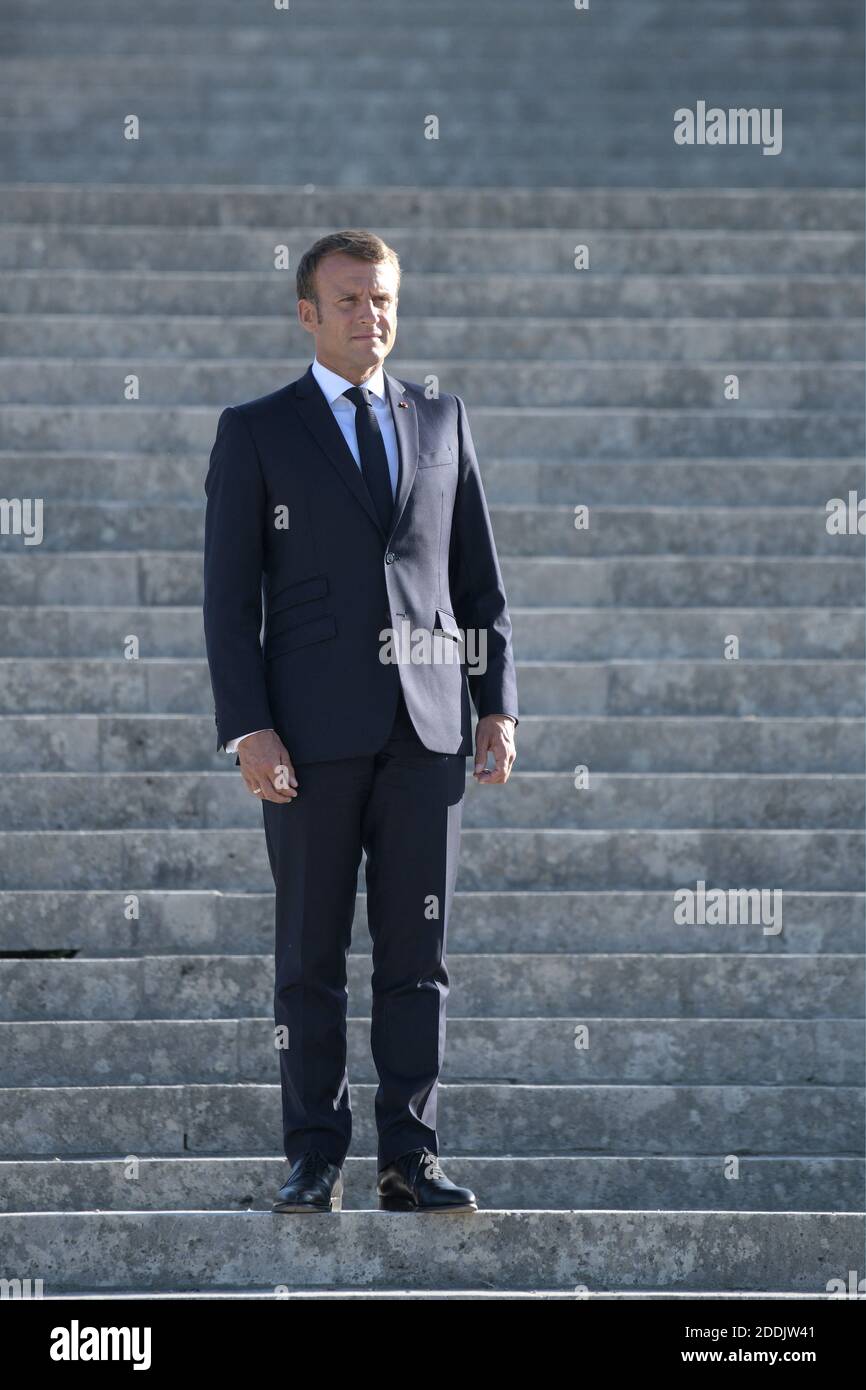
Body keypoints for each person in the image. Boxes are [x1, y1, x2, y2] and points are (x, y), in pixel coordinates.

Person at [203, 229, 518, 1214]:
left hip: (424, 733)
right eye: (347, 300)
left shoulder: (440, 419)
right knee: (308, 957)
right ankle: (313, 1153)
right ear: (307, 313)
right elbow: (226, 600)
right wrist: (248, 726)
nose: (368, 315)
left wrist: (494, 699)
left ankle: (408, 1157)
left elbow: (476, 582)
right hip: (308, 735)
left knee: (416, 956)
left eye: (381, 299)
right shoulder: (256, 430)